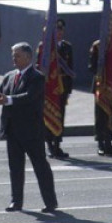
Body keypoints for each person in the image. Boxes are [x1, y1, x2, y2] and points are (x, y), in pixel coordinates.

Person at [0, 42, 58, 213]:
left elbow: (28, 97)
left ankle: (50, 202)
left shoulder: (36, 77)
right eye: (13, 55)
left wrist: (8, 99)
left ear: (28, 57)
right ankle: (16, 201)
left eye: (17, 55)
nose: (13, 58)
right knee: (15, 167)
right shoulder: (8, 76)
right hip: (12, 130)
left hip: (31, 131)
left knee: (40, 166)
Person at [36, 18, 74, 159]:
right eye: (56, 29)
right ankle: (50, 145)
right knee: (48, 115)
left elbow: (70, 69)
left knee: (60, 116)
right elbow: (38, 67)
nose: (58, 32)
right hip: (48, 88)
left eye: (61, 30)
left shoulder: (67, 47)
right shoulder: (44, 47)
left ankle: (57, 144)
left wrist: (69, 89)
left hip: (62, 88)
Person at [89, 38, 112, 156]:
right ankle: (100, 144)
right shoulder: (97, 45)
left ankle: (109, 143)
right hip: (101, 87)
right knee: (100, 116)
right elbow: (91, 66)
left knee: (111, 115)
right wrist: (101, 69)